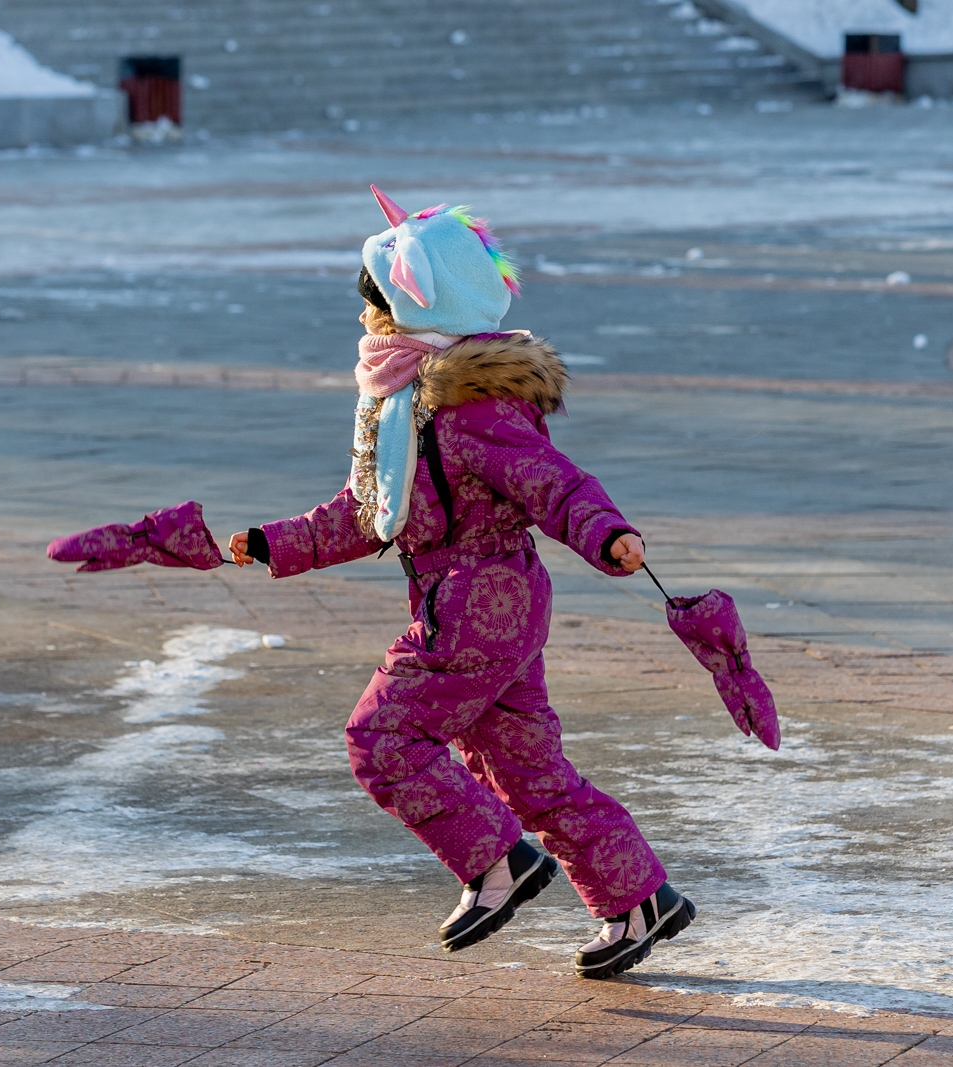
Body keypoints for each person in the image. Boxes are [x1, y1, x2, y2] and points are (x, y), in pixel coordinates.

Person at [227, 187, 695, 979]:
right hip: (494, 607)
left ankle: (496, 864)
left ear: (414, 306)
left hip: (476, 608)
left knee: (382, 738)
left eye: (376, 302)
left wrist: (605, 532)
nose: (369, 318)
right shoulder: (406, 401)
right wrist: (277, 544)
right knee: (527, 772)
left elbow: (554, 481)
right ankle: (637, 896)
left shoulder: (469, 407)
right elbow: (370, 511)